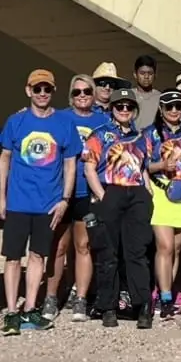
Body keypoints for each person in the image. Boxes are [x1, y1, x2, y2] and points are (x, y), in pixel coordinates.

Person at [0, 70, 81, 336]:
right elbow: (4, 159)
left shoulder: (64, 123)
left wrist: (65, 200)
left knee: (38, 256)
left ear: (53, 91)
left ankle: (31, 308)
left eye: (47, 89)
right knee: (13, 257)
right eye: (37, 89)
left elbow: (70, 164)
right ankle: (12, 311)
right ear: (28, 91)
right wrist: (1, 196)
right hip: (18, 202)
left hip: (48, 203)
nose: (42, 93)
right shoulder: (16, 121)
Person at [84, 87, 154, 329]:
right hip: (110, 190)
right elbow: (89, 168)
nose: (124, 110)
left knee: (137, 252)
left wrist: (147, 189)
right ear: (112, 109)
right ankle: (108, 306)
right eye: (119, 106)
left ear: (134, 110)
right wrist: (102, 196)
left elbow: (142, 165)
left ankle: (142, 304)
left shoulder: (141, 136)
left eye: (128, 106)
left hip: (136, 194)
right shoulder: (99, 134)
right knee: (108, 253)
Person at [43, 74, 107, 323]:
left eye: (87, 91)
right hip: (61, 192)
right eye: (77, 92)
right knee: (58, 247)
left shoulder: (103, 120)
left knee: (84, 246)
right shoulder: (59, 117)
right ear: (71, 95)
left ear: (93, 94)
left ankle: (80, 298)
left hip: (89, 192)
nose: (82, 96)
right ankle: (51, 296)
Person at [146, 90, 181, 317]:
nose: (175, 111)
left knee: (176, 249)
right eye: (169, 107)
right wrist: (161, 166)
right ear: (161, 109)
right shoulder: (150, 134)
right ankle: (165, 298)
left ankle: (164, 290)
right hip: (161, 193)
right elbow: (142, 166)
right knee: (165, 247)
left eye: (178, 106)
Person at [133, 54, 161, 129]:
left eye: (150, 73)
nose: (146, 77)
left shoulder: (161, 98)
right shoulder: (128, 96)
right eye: (142, 73)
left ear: (155, 75)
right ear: (135, 75)